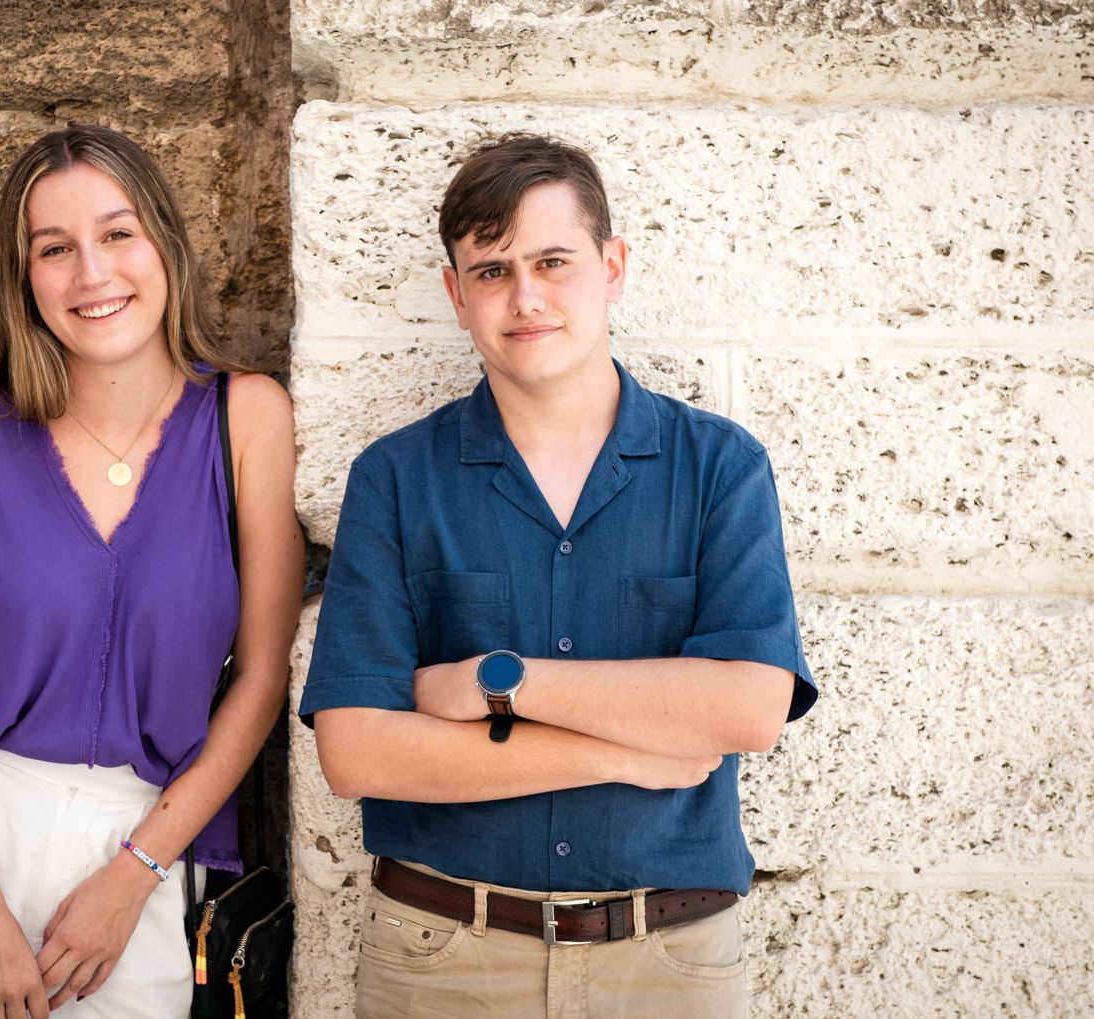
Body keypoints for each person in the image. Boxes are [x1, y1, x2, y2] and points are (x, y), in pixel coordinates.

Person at [298, 134, 818, 1018]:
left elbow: (747, 708)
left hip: (669, 962)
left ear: (611, 266)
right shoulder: (394, 477)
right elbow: (357, 752)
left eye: (552, 261)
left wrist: (494, 683)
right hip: (443, 958)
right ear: (455, 294)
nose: (526, 296)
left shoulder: (717, 466)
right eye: (492, 270)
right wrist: (627, 750)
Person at [0, 125, 303, 1019]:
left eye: (118, 234)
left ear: (163, 242)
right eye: (55, 249)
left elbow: (261, 677)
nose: (93, 274)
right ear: (25, 280)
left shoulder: (248, 418)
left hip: (140, 848)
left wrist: (135, 873)